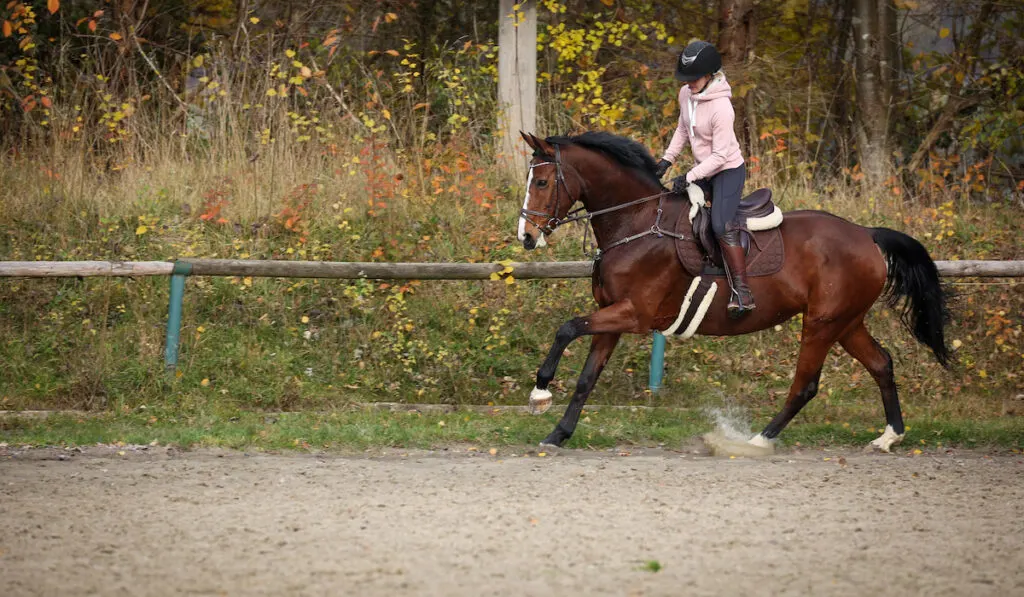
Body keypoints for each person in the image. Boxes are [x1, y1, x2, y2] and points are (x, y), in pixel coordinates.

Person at [654, 40, 754, 317]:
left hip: (727, 171)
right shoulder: (685, 94)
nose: (689, 83)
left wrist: (689, 176)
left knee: (721, 224)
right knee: (673, 208)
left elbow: (721, 156)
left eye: (694, 78)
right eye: (686, 78)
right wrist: (666, 160)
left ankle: (743, 291)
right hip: (703, 169)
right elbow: (682, 130)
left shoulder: (722, 108)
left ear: (710, 74)